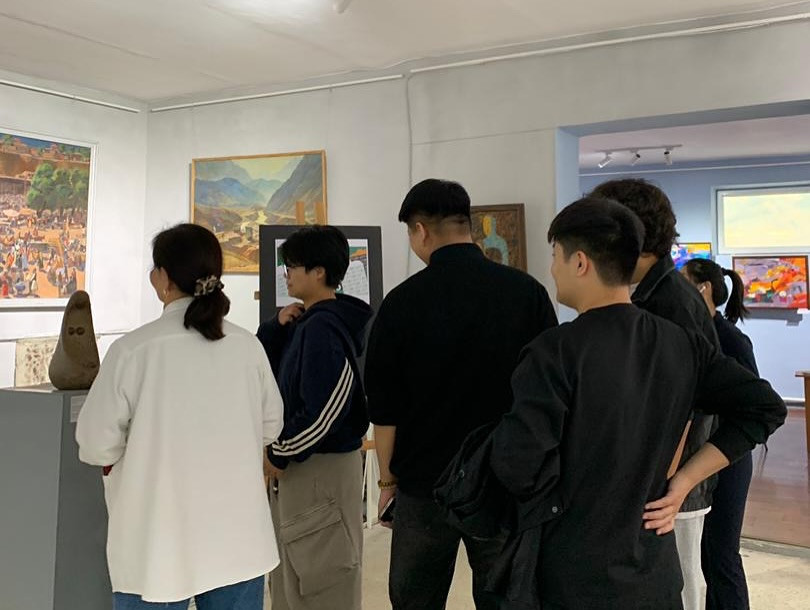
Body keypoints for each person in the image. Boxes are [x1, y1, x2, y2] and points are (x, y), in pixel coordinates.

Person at [488, 197, 786, 609]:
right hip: (652, 567)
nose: (552, 269)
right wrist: (683, 481)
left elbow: (518, 466)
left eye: (555, 256)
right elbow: (765, 407)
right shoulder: (681, 344)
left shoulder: (552, 352)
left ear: (580, 262)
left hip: (573, 571)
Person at [364, 178, 558, 610]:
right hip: (503, 479)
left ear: (420, 231)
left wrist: (387, 482)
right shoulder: (526, 293)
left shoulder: (401, 303)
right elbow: (548, 392)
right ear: (467, 224)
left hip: (423, 484)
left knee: (415, 601)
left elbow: (385, 408)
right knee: (504, 598)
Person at [76, 223, 284, 610]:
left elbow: (95, 444)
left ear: (163, 278)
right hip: (237, 537)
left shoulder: (134, 351)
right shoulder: (247, 346)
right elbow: (272, 426)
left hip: (157, 539)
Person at [589, 178, 719, 610]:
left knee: (678, 583)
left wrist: (671, 478)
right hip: (658, 479)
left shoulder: (671, 302)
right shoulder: (653, 292)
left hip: (670, 486)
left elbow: (688, 402)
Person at [256, 225, 372, 610]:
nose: (286, 274)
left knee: (322, 581)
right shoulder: (307, 322)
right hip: (303, 466)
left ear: (319, 272)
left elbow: (326, 410)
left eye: (292, 266)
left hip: (321, 468)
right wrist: (276, 327)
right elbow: (271, 376)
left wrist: (280, 451)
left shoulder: (324, 326)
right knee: (294, 580)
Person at [682, 258, 758, 610]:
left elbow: (755, 404)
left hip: (729, 456)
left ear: (704, 288)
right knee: (708, 553)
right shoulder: (698, 334)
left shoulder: (730, 338)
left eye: (684, 282)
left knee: (722, 553)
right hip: (708, 453)